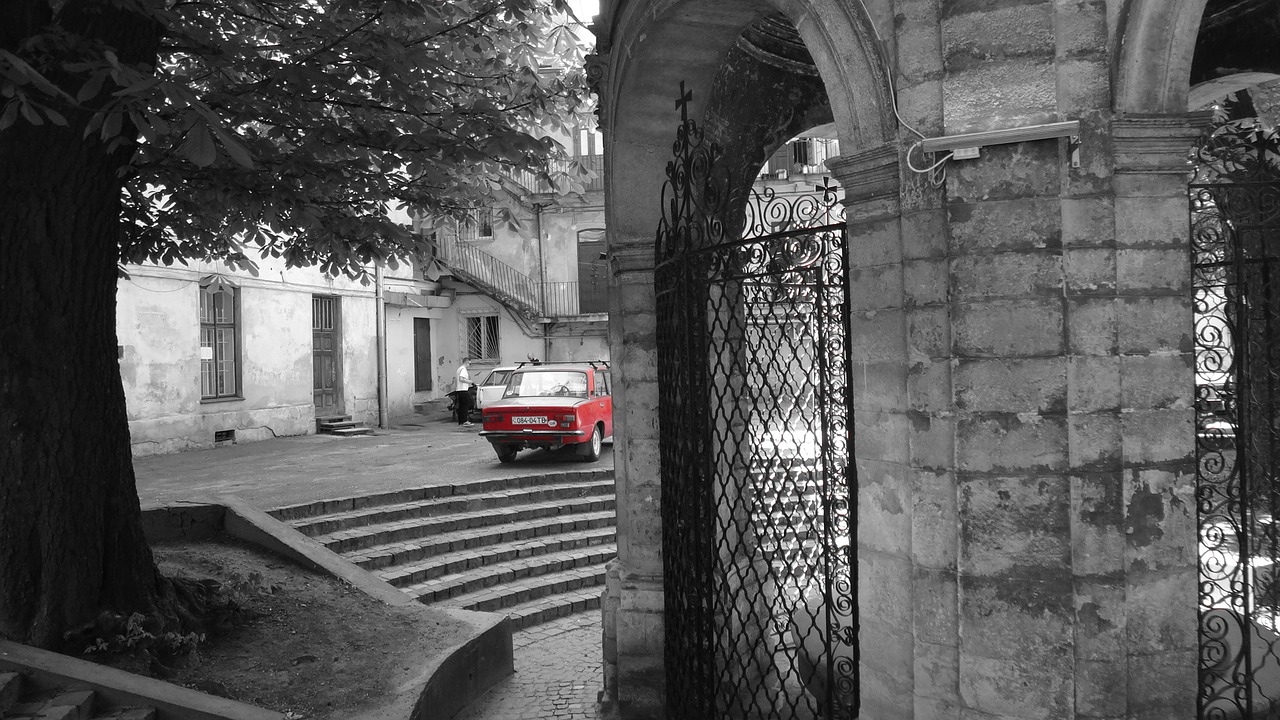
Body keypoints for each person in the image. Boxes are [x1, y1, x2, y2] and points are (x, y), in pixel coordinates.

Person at [454, 358, 474, 427]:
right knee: (465, 405)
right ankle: (465, 421)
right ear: (467, 362)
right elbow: (461, 379)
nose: (470, 365)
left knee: (461, 406)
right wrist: (469, 382)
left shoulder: (459, 369)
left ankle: (461, 421)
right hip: (463, 389)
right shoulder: (463, 369)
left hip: (459, 390)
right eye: (470, 363)